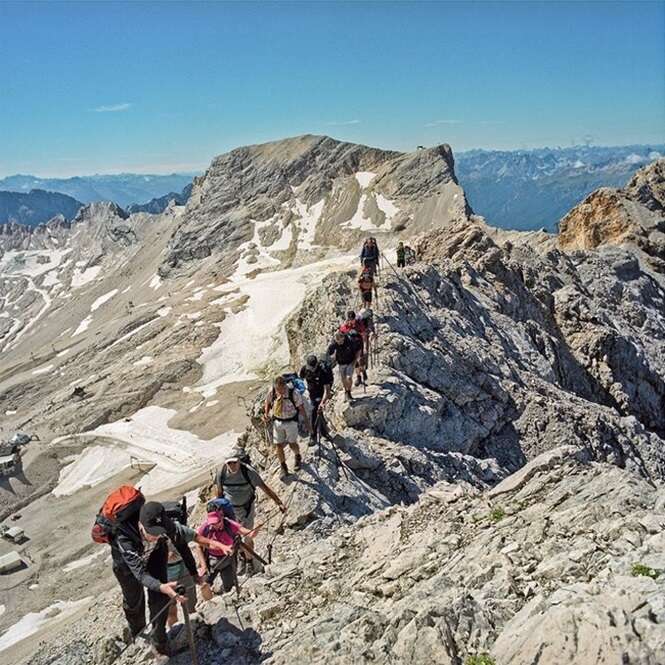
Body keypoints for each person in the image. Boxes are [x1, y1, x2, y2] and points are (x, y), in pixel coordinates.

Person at [111, 500, 220, 658]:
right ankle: (138, 633)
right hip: (127, 567)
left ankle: (160, 642)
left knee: (160, 601)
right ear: (141, 525)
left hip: (153, 556)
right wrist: (162, 586)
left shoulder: (166, 526)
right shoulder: (124, 537)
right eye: (152, 532)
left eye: (158, 532)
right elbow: (140, 574)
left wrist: (196, 570)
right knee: (134, 601)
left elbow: (185, 541)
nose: (156, 535)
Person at [216, 447, 286, 570]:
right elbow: (219, 493)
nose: (232, 466)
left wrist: (279, 503)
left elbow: (264, 487)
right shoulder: (221, 473)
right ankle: (242, 556)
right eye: (229, 463)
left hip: (246, 509)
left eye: (234, 462)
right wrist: (218, 512)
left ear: (239, 461)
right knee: (234, 537)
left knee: (247, 536)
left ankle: (249, 562)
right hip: (229, 511)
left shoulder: (249, 472)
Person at [194, 505, 258, 600]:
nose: (215, 525)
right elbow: (198, 546)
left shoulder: (229, 524)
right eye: (212, 523)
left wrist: (255, 530)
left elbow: (246, 532)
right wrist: (203, 565)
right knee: (204, 585)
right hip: (210, 562)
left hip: (228, 562)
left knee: (229, 589)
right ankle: (209, 605)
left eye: (217, 522)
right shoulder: (205, 528)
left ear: (221, 518)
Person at [264, 376, 311, 478]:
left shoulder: (293, 393)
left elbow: (301, 408)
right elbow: (267, 402)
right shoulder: (272, 392)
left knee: (292, 443)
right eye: (278, 389)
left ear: (285, 386)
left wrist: (307, 423)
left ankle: (297, 456)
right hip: (277, 421)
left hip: (291, 422)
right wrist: (266, 413)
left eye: (282, 389)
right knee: (278, 445)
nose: (280, 391)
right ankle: (283, 466)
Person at [299, 354, 333, 445]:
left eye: (313, 368)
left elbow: (327, 390)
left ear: (316, 365)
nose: (311, 370)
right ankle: (323, 433)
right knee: (318, 413)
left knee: (315, 412)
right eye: (310, 368)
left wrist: (322, 402)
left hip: (321, 395)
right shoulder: (304, 369)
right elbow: (300, 379)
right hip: (311, 394)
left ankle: (314, 436)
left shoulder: (323, 371)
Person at [327, 331, 363, 401]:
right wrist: (332, 358)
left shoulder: (350, 341)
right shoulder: (334, 343)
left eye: (340, 342)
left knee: (349, 377)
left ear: (343, 338)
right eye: (337, 342)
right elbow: (329, 352)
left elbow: (358, 349)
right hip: (341, 363)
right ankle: (346, 392)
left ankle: (349, 392)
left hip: (350, 361)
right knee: (343, 379)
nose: (339, 344)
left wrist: (355, 361)